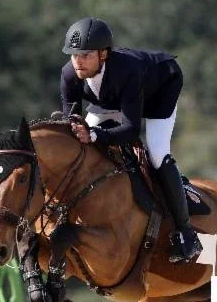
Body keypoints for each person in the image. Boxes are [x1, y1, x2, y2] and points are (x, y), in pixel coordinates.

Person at [59, 17, 203, 264]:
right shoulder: (69, 75)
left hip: (160, 90)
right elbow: (70, 124)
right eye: (74, 55)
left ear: (103, 54)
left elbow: (130, 129)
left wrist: (94, 134)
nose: (78, 61)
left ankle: (186, 234)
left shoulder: (127, 70)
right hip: (115, 98)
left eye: (85, 54)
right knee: (80, 149)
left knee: (156, 154)